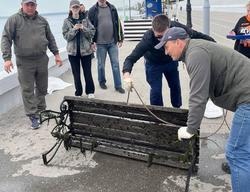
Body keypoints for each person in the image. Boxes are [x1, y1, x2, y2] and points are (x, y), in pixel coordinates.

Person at [155, 26, 250, 192]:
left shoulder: (195, 54)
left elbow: (198, 96)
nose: (165, 52)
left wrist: (191, 129)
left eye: (166, 46)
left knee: (236, 153)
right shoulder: (195, 49)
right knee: (243, 152)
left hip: (247, 98)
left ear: (178, 42)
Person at [123, 14, 215, 107]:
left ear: (170, 27)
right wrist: (127, 76)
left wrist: (215, 45)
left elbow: (197, 35)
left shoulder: (178, 28)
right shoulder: (148, 38)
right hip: (153, 64)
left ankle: (177, 109)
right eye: (159, 37)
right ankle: (158, 114)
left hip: (171, 61)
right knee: (156, 91)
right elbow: (131, 58)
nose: (162, 40)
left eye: (165, 36)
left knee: (175, 87)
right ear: (153, 30)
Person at [1, 0, 62, 129]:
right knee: (27, 89)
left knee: (42, 87)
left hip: (41, 58)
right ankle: (33, 115)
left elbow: (50, 38)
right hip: (24, 61)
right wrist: (7, 58)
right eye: (27, 4)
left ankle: (41, 110)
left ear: (36, 6)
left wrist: (56, 54)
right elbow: (6, 38)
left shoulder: (42, 21)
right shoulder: (14, 20)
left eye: (32, 4)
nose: (30, 7)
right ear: (21, 5)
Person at [88, 0, 125, 94]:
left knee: (115, 65)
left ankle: (118, 85)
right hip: (100, 44)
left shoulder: (112, 8)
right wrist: (91, 42)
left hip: (112, 42)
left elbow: (118, 23)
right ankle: (102, 82)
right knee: (101, 65)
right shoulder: (92, 10)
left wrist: (120, 38)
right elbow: (89, 27)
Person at [62, 0, 95, 99]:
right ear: (70, 9)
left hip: (86, 51)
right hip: (73, 53)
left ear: (80, 8)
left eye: (77, 7)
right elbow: (66, 37)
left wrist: (83, 28)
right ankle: (78, 93)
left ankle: (90, 91)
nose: (75, 9)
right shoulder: (66, 21)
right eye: (73, 7)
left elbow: (92, 33)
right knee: (76, 74)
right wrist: (74, 29)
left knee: (87, 72)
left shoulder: (86, 19)